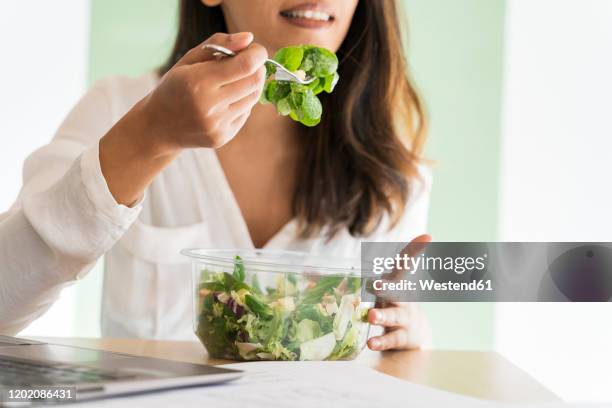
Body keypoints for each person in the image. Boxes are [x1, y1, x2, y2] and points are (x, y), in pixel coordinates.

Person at [0, 0, 432, 351]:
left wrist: (411, 339)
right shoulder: (117, 108)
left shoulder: (392, 171)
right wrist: (147, 138)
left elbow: (390, 352)